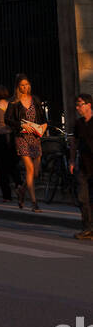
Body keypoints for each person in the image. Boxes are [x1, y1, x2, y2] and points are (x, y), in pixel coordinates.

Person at [5, 73, 47, 211]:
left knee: (35, 173)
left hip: (35, 137)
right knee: (30, 169)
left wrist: (43, 127)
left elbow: (43, 118)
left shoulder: (35, 99)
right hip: (21, 137)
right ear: (18, 87)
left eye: (27, 84)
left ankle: (21, 190)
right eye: (22, 85)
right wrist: (21, 125)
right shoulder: (14, 102)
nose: (25, 87)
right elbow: (7, 119)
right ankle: (34, 203)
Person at [69, 92, 93, 240]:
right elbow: (74, 143)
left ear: (88, 105)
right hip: (83, 165)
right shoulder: (78, 124)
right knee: (83, 198)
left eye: (80, 105)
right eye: (77, 105)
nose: (77, 108)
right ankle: (87, 228)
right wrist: (72, 161)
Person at [0, 86, 16, 202]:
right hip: (11, 136)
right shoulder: (12, 105)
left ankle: (7, 196)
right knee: (13, 165)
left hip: (0, 137)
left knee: (2, 168)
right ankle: (19, 186)